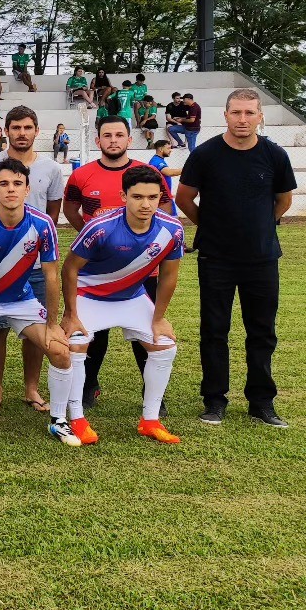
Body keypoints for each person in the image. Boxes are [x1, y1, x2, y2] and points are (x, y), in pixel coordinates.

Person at [176, 89, 296, 428]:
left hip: (261, 259)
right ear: (225, 115)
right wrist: (210, 226)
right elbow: (184, 198)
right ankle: (214, 401)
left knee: (262, 331)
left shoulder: (274, 155)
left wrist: (260, 228)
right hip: (216, 258)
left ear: (260, 116)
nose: (242, 119)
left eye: (249, 113)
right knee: (214, 330)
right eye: (236, 113)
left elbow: (283, 201)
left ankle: (261, 402)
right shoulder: (206, 154)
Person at [0, 159, 75, 448]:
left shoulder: (43, 223)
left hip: (21, 299)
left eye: (17, 184)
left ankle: (59, 420)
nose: (11, 190)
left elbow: (51, 276)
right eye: (4, 184)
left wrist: (53, 325)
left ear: (27, 188)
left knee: (60, 350)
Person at [62, 165, 186, 445]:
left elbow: (169, 275)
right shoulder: (99, 227)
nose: (146, 204)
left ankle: (150, 420)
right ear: (123, 196)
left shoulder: (172, 230)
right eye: (138, 197)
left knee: (165, 346)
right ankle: (78, 419)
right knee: (76, 344)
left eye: (153, 198)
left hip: (131, 297)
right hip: (90, 296)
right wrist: (70, 314)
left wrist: (159, 317)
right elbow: (69, 269)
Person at [0, 106, 66, 415]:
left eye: (27, 127)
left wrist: (37, 247)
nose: (21, 133)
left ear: (36, 131)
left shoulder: (51, 169)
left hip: (36, 265)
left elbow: (52, 213)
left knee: (34, 330)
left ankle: (31, 388)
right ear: (6, 130)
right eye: (16, 128)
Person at [63, 116, 152, 411]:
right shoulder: (81, 176)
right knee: (93, 333)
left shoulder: (147, 173)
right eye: (107, 135)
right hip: (96, 272)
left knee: (145, 333)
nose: (113, 140)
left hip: (141, 268)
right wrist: (92, 240)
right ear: (97, 141)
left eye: (119, 135)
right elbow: (70, 209)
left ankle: (152, 394)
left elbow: (163, 214)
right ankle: (88, 387)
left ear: (129, 139)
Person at [148, 139, 180, 214]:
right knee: (171, 221)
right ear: (161, 149)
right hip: (163, 198)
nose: (170, 150)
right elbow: (169, 172)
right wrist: (188, 169)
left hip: (164, 196)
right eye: (168, 148)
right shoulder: (156, 161)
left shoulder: (158, 160)